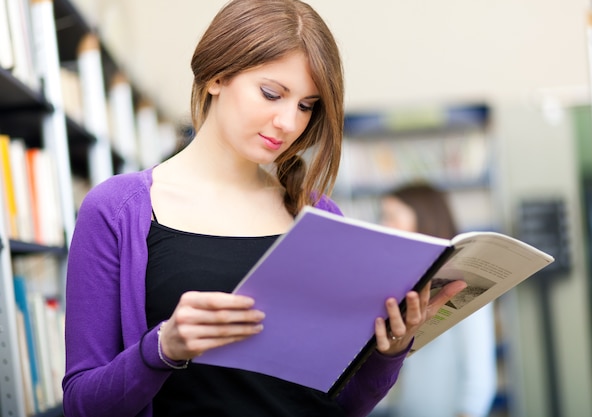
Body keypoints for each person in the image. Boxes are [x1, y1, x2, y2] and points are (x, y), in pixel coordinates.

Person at [61, 1, 467, 417]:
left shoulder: (318, 215)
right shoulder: (117, 210)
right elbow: (81, 405)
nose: (289, 123)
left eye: (307, 105)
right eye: (272, 94)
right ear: (218, 76)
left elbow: (344, 405)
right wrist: (161, 349)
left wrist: (390, 352)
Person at [379, 183, 498, 417]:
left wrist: (468, 411)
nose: (384, 225)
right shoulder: (402, 282)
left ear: (424, 219)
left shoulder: (462, 282)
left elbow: (479, 370)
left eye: (391, 216)